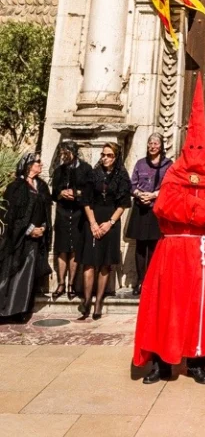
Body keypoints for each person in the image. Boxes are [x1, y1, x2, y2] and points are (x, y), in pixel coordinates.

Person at [133, 74, 205, 385]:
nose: (197, 151)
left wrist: (186, 205)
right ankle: (162, 363)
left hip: (200, 250)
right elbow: (162, 207)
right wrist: (193, 206)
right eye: (193, 144)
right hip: (171, 250)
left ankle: (197, 362)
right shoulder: (173, 172)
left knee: (200, 306)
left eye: (202, 145)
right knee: (165, 306)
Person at [78, 143, 131, 320]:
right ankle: (86, 300)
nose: (105, 158)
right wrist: (93, 223)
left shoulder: (122, 176)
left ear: (116, 158)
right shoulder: (93, 175)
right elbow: (86, 201)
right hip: (93, 219)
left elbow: (123, 204)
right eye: (103, 154)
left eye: (109, 155)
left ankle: (99, 301)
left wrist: (109, 223)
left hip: (111, 221)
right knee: (89, 262)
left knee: (105, 263)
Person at [0, 152, 51, 321]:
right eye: (37, 162)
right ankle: (7, 311)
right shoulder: (16, 187)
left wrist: (43, 227)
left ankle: (21, 310)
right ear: (29, 165)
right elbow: (12, 215)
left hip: (35, 240)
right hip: (18, 239)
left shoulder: (42, 186)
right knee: (13, 272)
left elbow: (46, 212)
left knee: (28, 274)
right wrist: (29, 229)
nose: (40, 164)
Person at [125, 133, 172, 295]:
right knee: (140, 246)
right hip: (140, 208)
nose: (152, 146)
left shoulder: (168, 165)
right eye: (150, 143)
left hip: (156, 209)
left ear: (161, 146)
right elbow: (132, 185)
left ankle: (151, 281)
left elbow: (169, 186)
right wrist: (140, 194)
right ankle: (139, 281)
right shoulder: (140, 163)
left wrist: (153, 195)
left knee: (153, 246)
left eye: (155, 143)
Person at [51, 141, 93, 300]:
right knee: (62, 249)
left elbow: (89, 191)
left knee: (75, 249)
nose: (63, 156)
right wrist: (61, 194)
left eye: (66, 153)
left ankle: (71, 284)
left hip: (78, 213)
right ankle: (61, 283)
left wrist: (75, 193)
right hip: (62, 211)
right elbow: (54, 193)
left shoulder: (86, 169)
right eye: (62, 153)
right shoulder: (59, 170)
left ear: (73, 152)